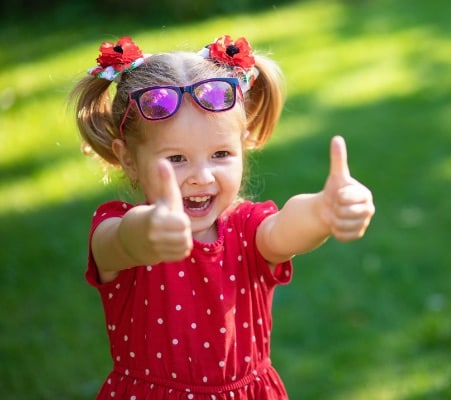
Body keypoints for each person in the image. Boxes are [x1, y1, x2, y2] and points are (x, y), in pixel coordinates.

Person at [70, 34, 375, 400]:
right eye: (176, 159)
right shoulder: (116, 229)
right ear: (129, 159)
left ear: (242, 145)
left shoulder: (247, 228)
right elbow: (122, 242)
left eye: (220, 154)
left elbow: (284, 230)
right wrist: (150, 230)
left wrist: (323, 211)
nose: (202, 175)